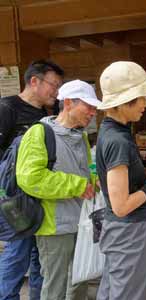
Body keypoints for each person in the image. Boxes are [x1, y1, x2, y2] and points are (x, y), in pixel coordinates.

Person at [15, 80, 101, 300]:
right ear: (69, 103)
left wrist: (95, 182)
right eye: (88, 106)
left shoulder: (80, 136)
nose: (93, 112)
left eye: (94, 108)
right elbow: (30, 178)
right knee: (56, 287)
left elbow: (83, 173)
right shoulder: (39, 132)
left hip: (81, 222)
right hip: (54, 228)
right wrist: (78, 185)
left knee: (79, 281)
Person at [96, 61, 146, 300]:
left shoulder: (113, 131)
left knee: (115, 289)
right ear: (123, 101)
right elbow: (121, 206)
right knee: (131, 293)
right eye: (140, 97)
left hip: (123, 232)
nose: (145, 103)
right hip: (130, 232)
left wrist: (142, 175)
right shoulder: (118, 140)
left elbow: (115, 181)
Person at [0, 59, 64, 300]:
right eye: (54, 85)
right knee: (17, 254)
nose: (56, 92)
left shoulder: (45, 113)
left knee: (40, 258)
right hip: (16, 200)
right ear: (34, 81)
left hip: (40, 198)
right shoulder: (7, 108)